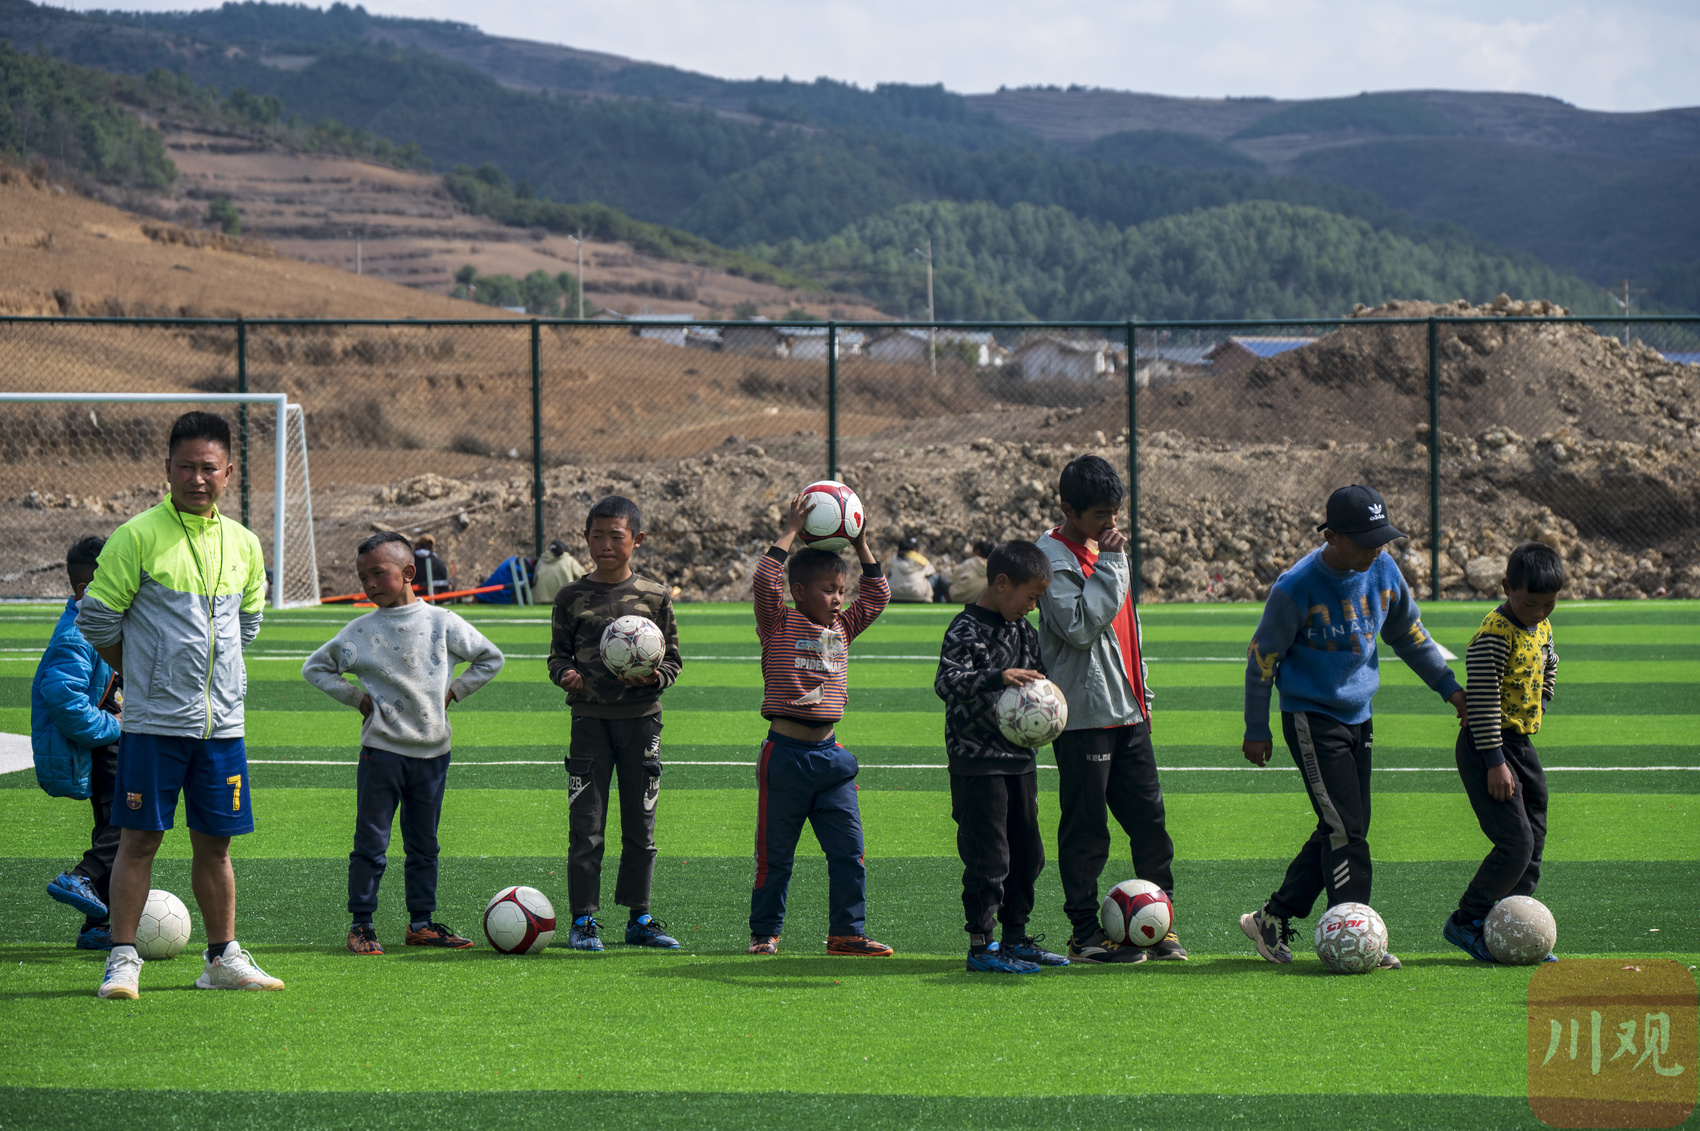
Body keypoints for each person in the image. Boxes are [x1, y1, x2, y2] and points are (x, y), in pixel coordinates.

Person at [76, 411, 282, 999]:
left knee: (215, 846)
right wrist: (142, 674)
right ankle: (122, 958)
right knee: (139, 840)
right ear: (167, 469)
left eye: (208, 468)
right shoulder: (137, 535)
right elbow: (96, 617)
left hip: (223, 727)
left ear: (228, 473)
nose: (197, 478)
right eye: (186, 467)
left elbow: (248, 623)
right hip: (153, 724)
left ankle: (222, 958)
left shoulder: (244, 542)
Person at [1238, 484, 1466, 970]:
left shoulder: (1382, 569)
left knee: (1340, 825)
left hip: (1359, 715)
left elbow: (1410, 634)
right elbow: (1262, 659)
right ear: (1333, 536)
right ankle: (1355, 935)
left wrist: (1451, 689)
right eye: (1365, 541)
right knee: (1348, 831)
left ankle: (1271, 917)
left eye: (1381, 539)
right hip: (1310, 716)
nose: (1376, 550)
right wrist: (1256, 727)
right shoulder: (1296, 586)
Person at [302, 531, 505, 955]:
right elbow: (316, 668)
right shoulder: (360, 630)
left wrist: (453, 693)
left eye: (378, 573)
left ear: (409, 572)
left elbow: (490, 658)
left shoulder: (442, 623)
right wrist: (357, 699)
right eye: (363, 577)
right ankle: (361, 924)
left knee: (424, 844)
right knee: (371, 843)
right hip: (382, 754)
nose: (370, 584)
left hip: (433, 753)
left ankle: (422, 923)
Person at [1035, 455, 1182, 964]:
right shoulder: (1051, 555)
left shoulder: (1105, 546)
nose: (1112, 523)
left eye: (1117, 512)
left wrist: (1143, 695)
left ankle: (1157, 925)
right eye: (1100, 514)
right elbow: (1078, 626)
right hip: (1084, 717)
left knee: (1150, 824)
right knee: (1086, 827)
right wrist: (1116, 563)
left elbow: (1122, 634)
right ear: (1068, 508)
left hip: (1128, 713)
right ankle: (1083, 934)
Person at [747, 493, 891, 957]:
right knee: (776, 859)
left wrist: (861, 542)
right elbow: (765, 579)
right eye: (828, 590)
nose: (837, 599)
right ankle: (765, 934)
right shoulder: (777, 623)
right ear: (800, 592)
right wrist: (790, 530)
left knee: (849, 853)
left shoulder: (844, 628)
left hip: (832, 758)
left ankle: (846, 934)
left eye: (841, 591)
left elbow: (879, 594)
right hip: (784, 757)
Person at [546, 496, 683, 952]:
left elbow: (675, 660)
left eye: (616, 536)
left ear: (637, 541)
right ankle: (584, 919)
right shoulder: (571, 597)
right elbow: (557, 656)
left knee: (641, 826)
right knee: (586, 825)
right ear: (585, 539)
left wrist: (656, 675)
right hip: (589, 723)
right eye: (597, 536)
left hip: (642, 724)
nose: (605, 544)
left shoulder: (655, 596)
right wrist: (566, 674)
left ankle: (639, 918)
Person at [935, 540, 1069, 973]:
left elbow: (1035, 685)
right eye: (1030, 596)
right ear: (1002, 583)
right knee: (989, 855)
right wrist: (996, 677)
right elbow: (947, 683)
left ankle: (1016, 936)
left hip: (1019, 759)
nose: (1032, 606)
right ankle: (982, 944)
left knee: (1028, 852)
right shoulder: (964, 628)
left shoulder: (1023, 632)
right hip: (978, 760)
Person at [1444, 542, 1563, 963]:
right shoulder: (1493, 637)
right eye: (1531, 603)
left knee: (1536, 829)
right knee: (1515, 842)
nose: (1540, 612)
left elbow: (1550, 663)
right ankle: (1467, 920)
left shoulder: (1542, 625)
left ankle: (1513, 918)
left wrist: (1540, 704)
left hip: (1518, 742)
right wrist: (1494, 761)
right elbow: (1481, 700)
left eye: (1549, 604)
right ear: (1507, 587)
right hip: (1486, 746)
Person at [34, 535, 123, 951]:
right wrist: (115, 726)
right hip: (106, 747)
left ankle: (98, 925)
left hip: (113, 743)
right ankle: (82, 877)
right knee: (130, 825)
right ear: (89, 588)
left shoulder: (99, 621)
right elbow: (65, 701)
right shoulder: (75, 633)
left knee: (115, 827)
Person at [888, 536, 948, 603]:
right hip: (918, 595)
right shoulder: (920, 559)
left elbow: (889, 574)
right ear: (915, 549)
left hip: (895, 595)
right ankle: (939, 601)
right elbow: (932, 573)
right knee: (936, 577)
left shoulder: (894, 559)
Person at [532, 538, 588, 605]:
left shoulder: (541, 560)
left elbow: (534, 579)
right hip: (565, 598)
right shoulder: (569, 560)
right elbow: (583, 575)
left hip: (540, 599)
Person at [948, 541, 996, 606]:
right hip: (976, 601)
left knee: (940, 579)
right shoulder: (993, 568)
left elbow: (954, 578)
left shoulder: (971, 562)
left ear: (978, 551)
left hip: (958, 596)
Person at [411, 533, 451, 598]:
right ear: (431, 546)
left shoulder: (410, 562)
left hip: (415, 598)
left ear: (418, 545)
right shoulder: (440, 563)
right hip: (438, 598)